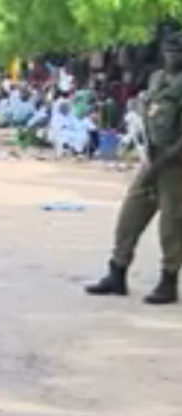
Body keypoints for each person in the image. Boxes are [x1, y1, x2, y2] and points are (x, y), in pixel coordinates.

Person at [85, 33, 182, 305]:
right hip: (151, 158)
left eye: (178, 51)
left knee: (172, 225)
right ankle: (117, 272)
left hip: (175, 166)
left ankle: (168, 281)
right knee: (130, 216)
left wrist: (160, 163)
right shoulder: (157, 78)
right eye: (169, 49)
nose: (173, 55)